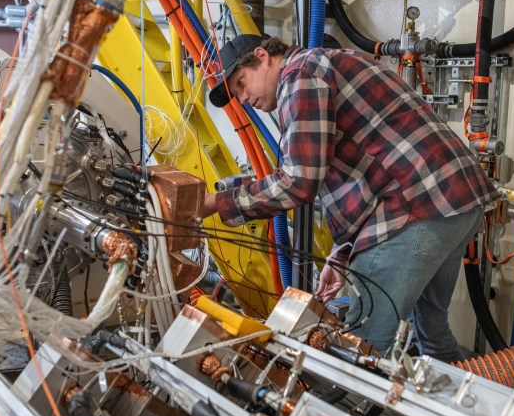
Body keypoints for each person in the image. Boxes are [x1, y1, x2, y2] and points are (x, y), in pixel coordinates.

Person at [200, 34, 498, 362]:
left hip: (418, 205)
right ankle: (459, 406)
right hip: (455, 200)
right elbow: (354, 175)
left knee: (362, 345)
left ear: (263, 56)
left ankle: (365, 413)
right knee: (432, 331)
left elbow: (298, 182)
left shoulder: (300, 76)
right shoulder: (319, 67)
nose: (242, 98)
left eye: (241, 83)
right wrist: (340, 256)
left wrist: (216, 204)